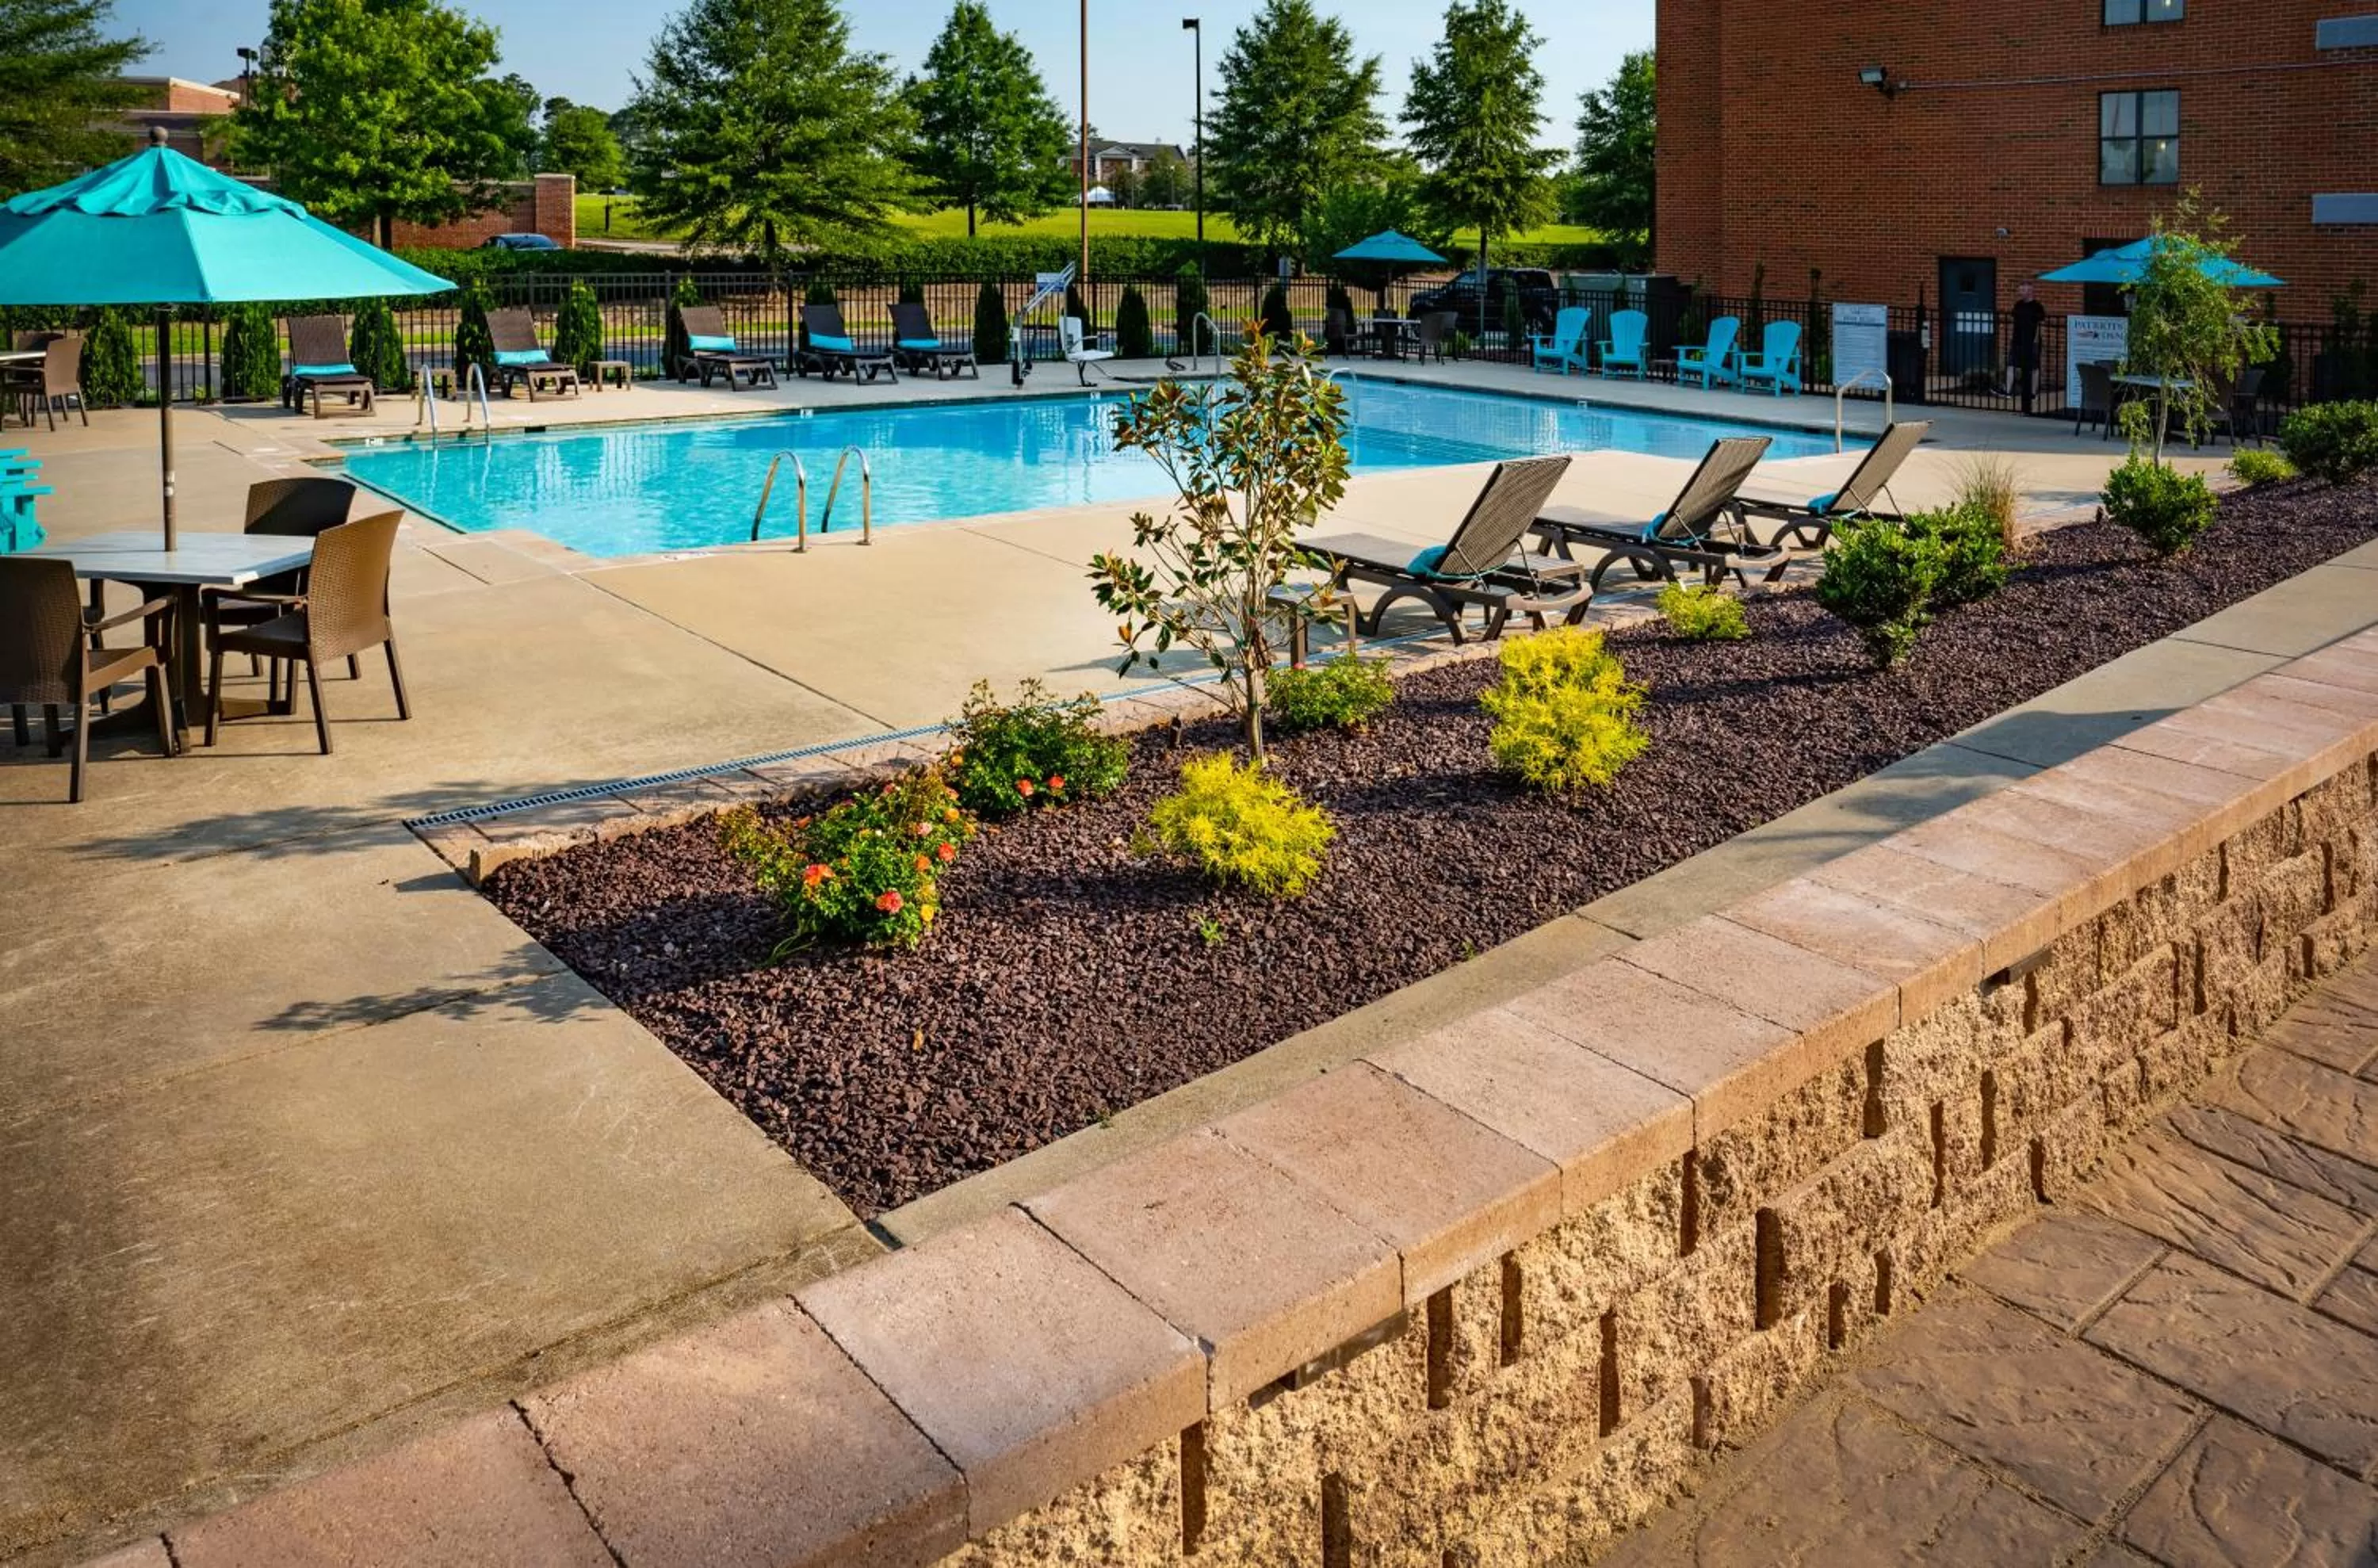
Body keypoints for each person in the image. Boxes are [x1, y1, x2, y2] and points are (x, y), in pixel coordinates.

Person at [2003, 282, 2047, 412]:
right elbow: (2014, 320)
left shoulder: (2037, 306)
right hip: (2017, 340)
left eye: (2023, 290)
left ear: (2030, 291)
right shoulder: (2018, 305)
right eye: (2020, 290)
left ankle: (2032, 393)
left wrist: (2036, 339)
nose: (2021, 293)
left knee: (2034, 367)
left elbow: (2041, 322)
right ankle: (2008, 391)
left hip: (2032, 341)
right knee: (2011, 364)